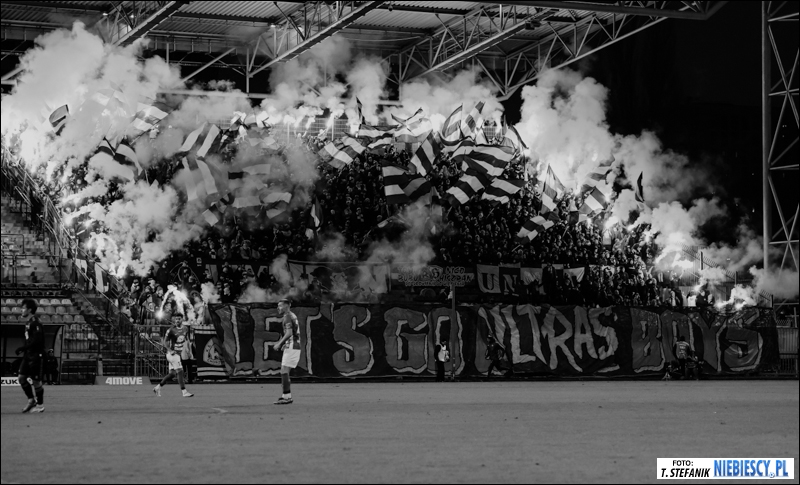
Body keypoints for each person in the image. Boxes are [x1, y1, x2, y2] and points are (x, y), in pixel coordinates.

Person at [153, 313, 194, 398]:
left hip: (178, 354)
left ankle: (157, 388)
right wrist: (170, 350)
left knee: (172, 374)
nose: (177, 320)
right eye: (176, 319)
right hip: (173, 354)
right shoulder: (171, 330)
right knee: (180, 371)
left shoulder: (185, 328)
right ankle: (184, 392)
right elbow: (165, 342)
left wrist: (189, 351)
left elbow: (187, 340)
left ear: (182, 319)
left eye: (179, 319)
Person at [15, 299, 45, 413]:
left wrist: (23, 348)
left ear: (29, 310)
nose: (21, 310)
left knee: (36, 381)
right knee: (21, 378)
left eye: (23, 308)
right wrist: (25, 349)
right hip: (29, 354)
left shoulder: (35, 322)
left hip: (36, 355)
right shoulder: (28, 322)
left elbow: (37, 340)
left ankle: (40, 405)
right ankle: (31, 400)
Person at [272, 298, 301, 405]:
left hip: (293, 346)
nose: (278, 308)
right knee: (284, 371)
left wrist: (279, 343)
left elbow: (289, 333)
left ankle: (287, 397)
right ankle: (286, 396)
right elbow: (294, 333)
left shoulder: (287, 316)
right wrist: (286, 343)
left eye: (280, 305)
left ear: (286, 306)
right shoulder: (292, 315)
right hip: (293, 345)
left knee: (284, 371)